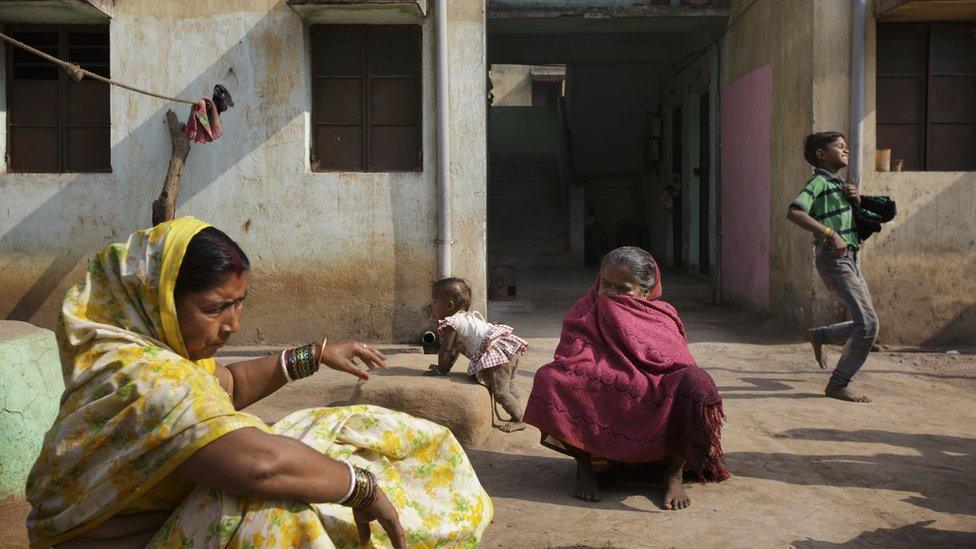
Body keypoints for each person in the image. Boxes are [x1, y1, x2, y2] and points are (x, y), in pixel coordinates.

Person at [25, 217, 492, 548]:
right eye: (214, 308)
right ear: (159, 302)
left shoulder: (162, 356)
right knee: (275, 513)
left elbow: (226, 383)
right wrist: (363, 489)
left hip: (167, 524)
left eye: (238, 304)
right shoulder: (146, 378)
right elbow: (261, 466)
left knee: (353, 429)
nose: (232, 326)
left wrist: (314, 355)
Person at [522, 247, 728, 510]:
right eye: (605, 285)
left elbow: (679, 361)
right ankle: (585, 467)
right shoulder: (584, 311)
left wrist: (647, 377)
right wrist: (600, 372)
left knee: (697, 383)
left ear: (645, 292)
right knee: (549, 378)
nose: (610, 294)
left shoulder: (661, 314)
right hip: (603, 377)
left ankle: (673, 473)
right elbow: (571, 354)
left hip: (654, 383)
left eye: (623, 289)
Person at [786, 131, 878, 403]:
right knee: (868, 325)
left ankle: (821, 335)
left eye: (846, 146)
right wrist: (829, 233)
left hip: (849, 258)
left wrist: (856, 199)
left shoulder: (837, 184)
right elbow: (794, 212)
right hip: (833, 258)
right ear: (821, 154)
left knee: (868, 322)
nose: (846, 150)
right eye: (839, 146)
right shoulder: (818, 182)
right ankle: (838, 384)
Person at [424, 278, 528, 433]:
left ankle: (519, 418)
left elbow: (446, 350)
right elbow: (455, 351)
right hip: (509, 348)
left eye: (435, 301)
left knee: (500, 392)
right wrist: (444, 369)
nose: (432, 305)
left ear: (449, 305)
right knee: (509, 383)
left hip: (497, 355)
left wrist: (440, 370)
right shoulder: (467, 318)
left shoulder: (451, 323)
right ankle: (519, 407)